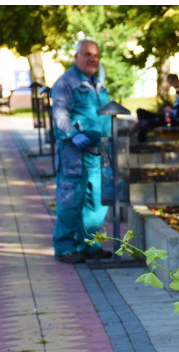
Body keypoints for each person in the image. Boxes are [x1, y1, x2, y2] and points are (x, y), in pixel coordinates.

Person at [50, 39, 113, 264]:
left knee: (97, 202)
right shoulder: (67, 82)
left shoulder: (98, 82)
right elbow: (59, 114)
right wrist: (71, 134)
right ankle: (65, 247)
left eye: (95, 55)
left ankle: (89, 245)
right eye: (87, 54)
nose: (92, 59)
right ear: (76, 57)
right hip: (74, 153)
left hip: (98, 152)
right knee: (71, 201)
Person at [132, 74, 179, 142]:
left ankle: (139, 139)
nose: (171, 86)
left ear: (176, 81)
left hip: (173, 120)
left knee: (146, 122)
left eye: (171, 83)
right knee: (140, 112)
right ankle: (140, 127)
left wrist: (171, 110)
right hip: (167, 116)